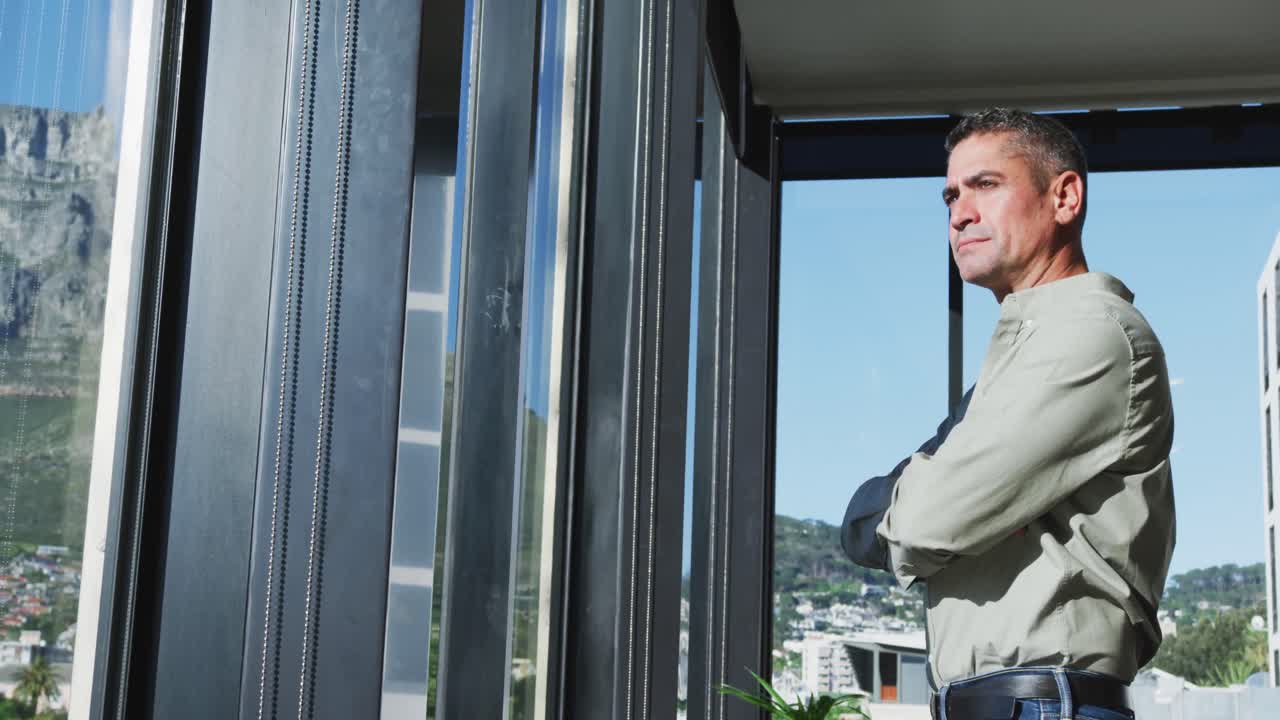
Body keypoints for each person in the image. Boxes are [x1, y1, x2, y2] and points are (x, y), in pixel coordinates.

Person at [841, 108, 1176, 720]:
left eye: (986, 185)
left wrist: (892, 502)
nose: (959, 213)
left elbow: (925, 520)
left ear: (1065, 197)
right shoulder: (1028, 346)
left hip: (1045, 703)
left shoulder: (1091, 334)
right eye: (950, 196)